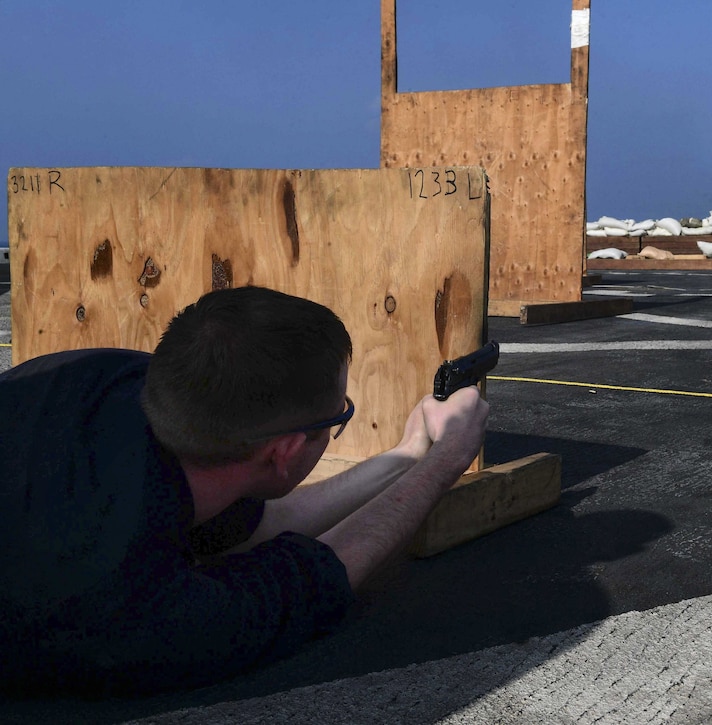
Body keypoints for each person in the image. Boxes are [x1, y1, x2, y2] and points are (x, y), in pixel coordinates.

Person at [0, 285, 489, 696]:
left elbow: (256, 524)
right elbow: (315, 580)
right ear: (285, 452)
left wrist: (409, 453)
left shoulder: (106, 379)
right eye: (340, 416)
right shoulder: (130, 605)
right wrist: (449, 459)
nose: (342, 414)